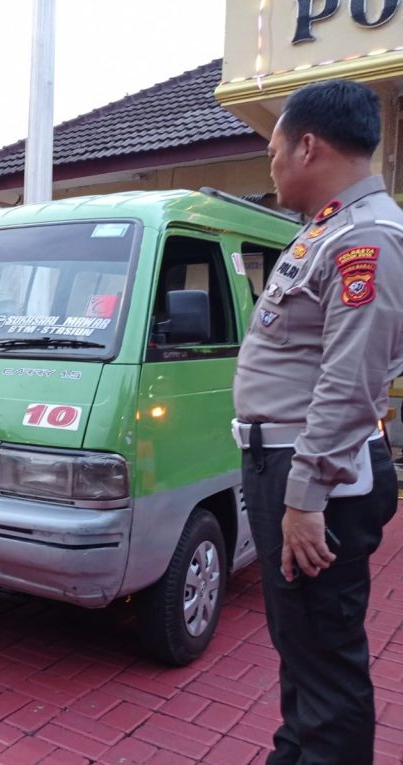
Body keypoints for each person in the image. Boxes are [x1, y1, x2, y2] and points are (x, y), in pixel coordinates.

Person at [232, 80, 403, 765]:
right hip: (294, 465)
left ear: (307, 145)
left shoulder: (367, 241)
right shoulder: (327, 232)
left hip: (315, 477)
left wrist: (304, 498)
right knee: (300, 643)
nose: (270, 165)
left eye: (274, 149)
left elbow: (351, 380)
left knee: (325, 658)